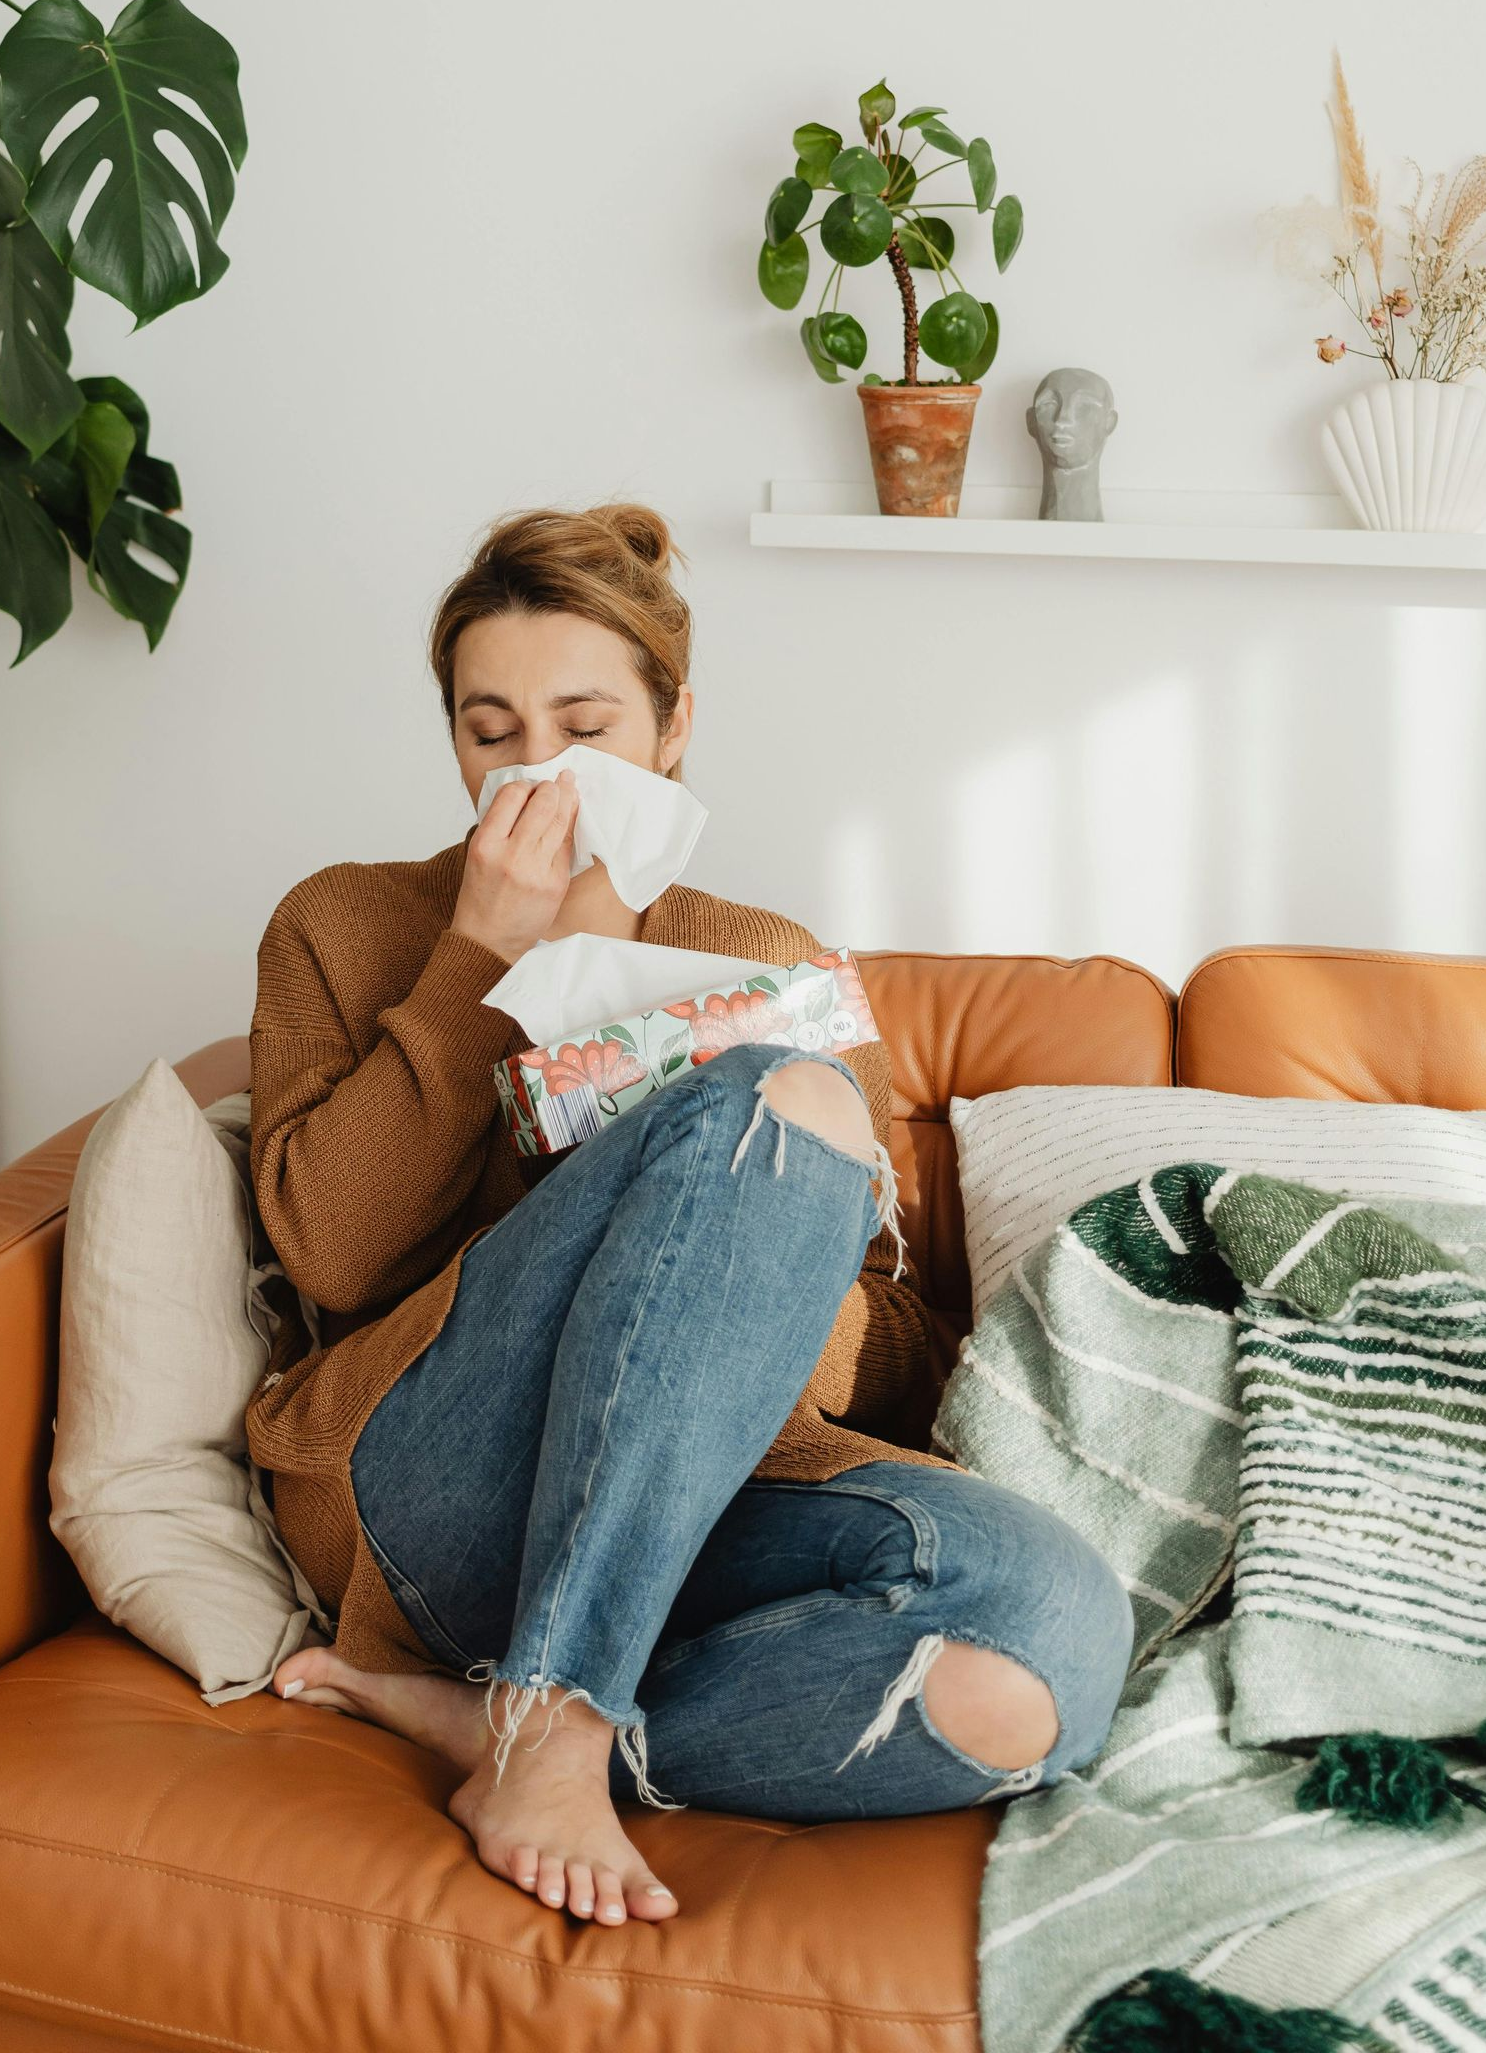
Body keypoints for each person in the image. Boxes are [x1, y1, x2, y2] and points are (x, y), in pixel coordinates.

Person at [246, 503, 1133, 1932]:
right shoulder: (342, 926)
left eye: (584, 725)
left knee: (1047, 1640)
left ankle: (528, 1728)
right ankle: (555, 1714)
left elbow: (884, 1357)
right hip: (425, 1487)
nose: (537, 769)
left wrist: (717, 1228)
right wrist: (488, 957)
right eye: (491, 729)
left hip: (697, 1508)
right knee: (758, 1102)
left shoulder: (767, 960)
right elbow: (333, 1253)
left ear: (673, 734)